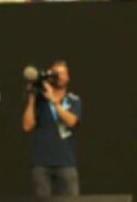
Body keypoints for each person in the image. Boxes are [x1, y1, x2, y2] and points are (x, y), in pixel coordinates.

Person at [22, 61, 82, 199]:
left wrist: (54, 101)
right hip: (41, 163)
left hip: (65, 162)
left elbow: (72, 121)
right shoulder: (39, 100)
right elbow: (27, 126)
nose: (59, 76)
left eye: (62, 73)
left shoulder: (73, 99)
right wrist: (31, 98)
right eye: (55, 73)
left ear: (68, 77)